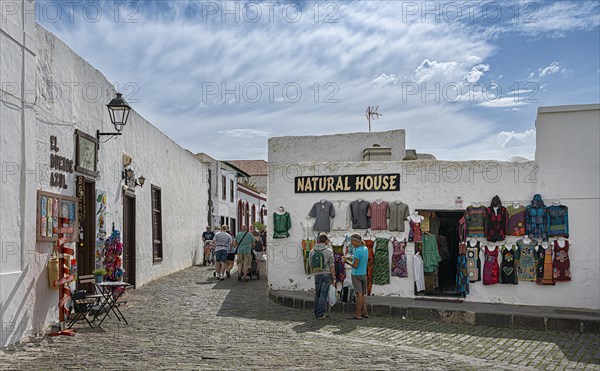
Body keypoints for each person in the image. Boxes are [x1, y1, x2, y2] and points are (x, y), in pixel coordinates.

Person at [308, 234, 335, 320]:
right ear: (326, 241)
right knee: (323, 294)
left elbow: (310, 264)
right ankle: (320, 314)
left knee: (317, 293)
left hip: (317, 274)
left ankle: (316, 312)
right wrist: (334, 277)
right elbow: (332, 266)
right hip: (326, 274)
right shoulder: (329, 251)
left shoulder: (312, 251)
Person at [343, 234, 369, 320]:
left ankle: (358, 314)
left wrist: (346, 261)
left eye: (352, 242)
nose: (352, 244)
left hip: (356, 274)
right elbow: (360, 261)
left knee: (358, 295)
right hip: (364, 273)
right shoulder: (365, 249)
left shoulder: (357, 251)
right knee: (362, 295)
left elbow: (355, 265)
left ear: (356, 241)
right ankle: (364, 312)